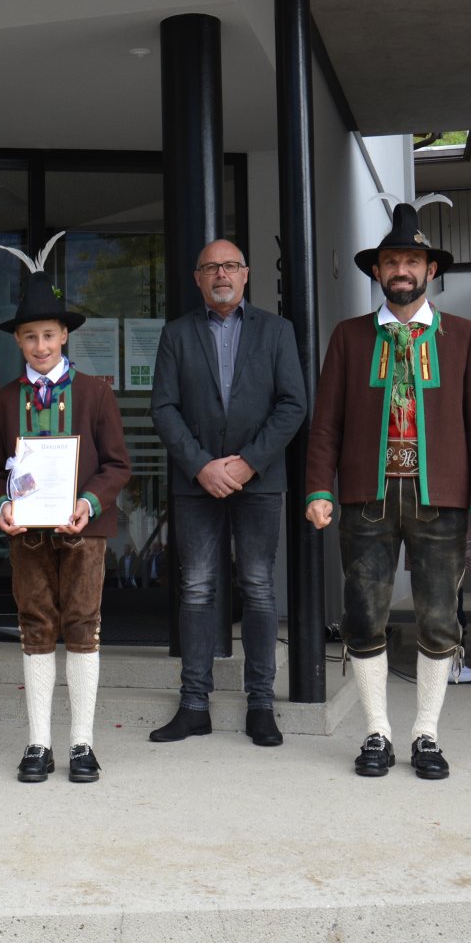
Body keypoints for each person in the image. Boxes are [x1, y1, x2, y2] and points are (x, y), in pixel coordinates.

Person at [305, 194, 471, 781]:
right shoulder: (349, 336)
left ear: (430, 270)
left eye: (412, 261)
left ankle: (426, 733)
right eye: (391, 261)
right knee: (364, 614)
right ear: (377, 270)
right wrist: (319, 487)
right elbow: (327, 423)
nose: (401, 270)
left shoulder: (465, 336)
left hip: (441, 498)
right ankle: (377, 731)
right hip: (367, 496)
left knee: (439, 617)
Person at [147, 239, 305, 746]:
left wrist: (248, 462)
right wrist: (200, 466)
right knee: (196, 588)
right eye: (211, 267)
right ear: (197, 278)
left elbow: (292, 404)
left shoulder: (277, 331)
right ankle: (194, 706)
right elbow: (163, 407)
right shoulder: (176, 334)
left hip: (259, 480)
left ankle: (261, 704)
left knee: (257, 587)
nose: (221, 274)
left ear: (246, 274)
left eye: (230, 266)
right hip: (196, 483)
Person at [0, 233, 130, 783]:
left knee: (83, 627)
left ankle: (82, 744)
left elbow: (117, 465)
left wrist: (89, 503)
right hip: (27, 536)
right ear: (17, 340)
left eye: (48, 334)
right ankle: (39, 743)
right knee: (36, 626)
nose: (41, 345)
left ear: (65, 334)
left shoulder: (95, 393)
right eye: (30, 336)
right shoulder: (3, 401)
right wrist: (3, 503)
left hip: (84, 533)